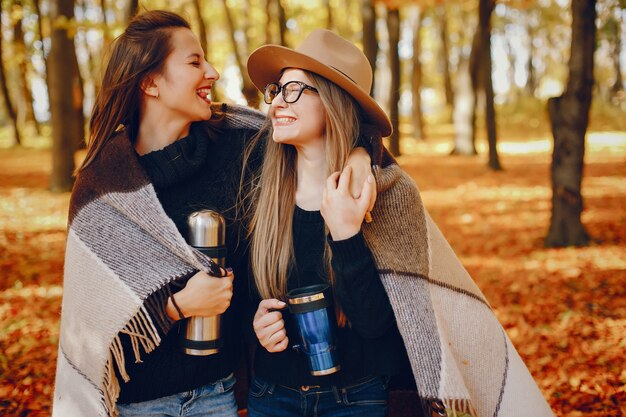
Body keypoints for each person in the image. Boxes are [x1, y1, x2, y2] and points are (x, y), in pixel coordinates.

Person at [52, 11, 373, 417]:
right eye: (194, 62)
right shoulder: (104, 184)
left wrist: (361, 153)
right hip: (137, 403)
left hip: (217, 394)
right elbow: (94, 321)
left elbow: (326, 122)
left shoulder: (242, 143)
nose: (214, 72)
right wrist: (176, 307)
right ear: (150, 82)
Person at [244, 29, 556, 417]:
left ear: (334, 101)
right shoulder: (260, 187)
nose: (276, 104)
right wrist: (257, 323)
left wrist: (345, 234)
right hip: (273, 396)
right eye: (276, 90)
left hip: (358, 400)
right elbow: (242, 293)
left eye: (294, 90)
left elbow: (378, 325)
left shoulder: (390, 193)